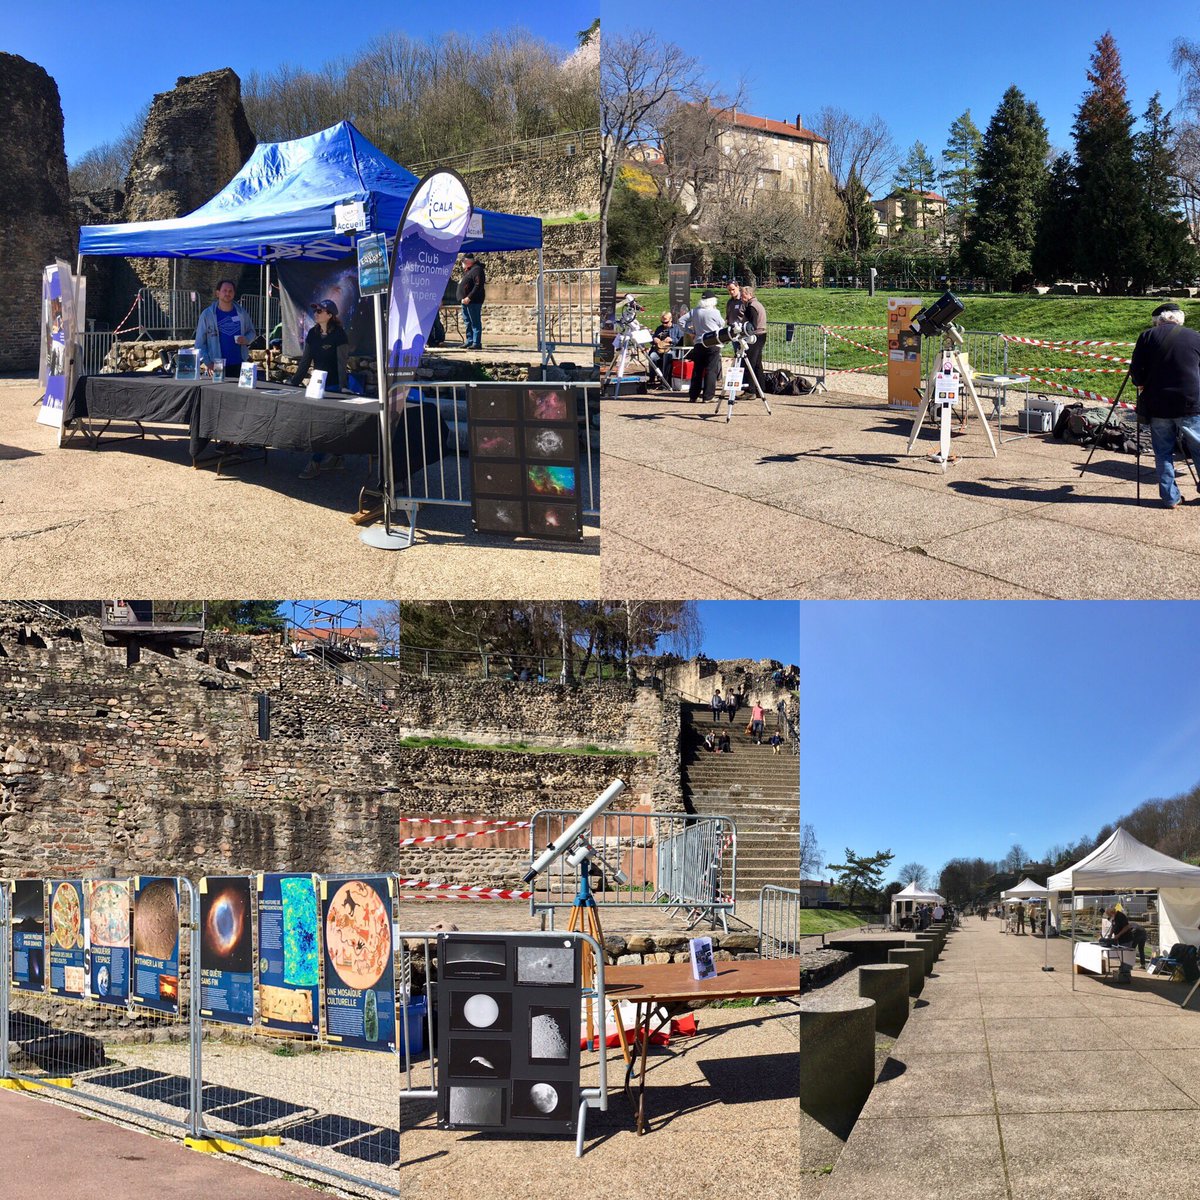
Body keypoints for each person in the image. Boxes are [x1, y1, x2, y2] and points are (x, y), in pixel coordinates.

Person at [1129, 302, 1200, 509]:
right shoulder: (1195, 336)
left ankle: (1170, 498)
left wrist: (1141, 382)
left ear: (1158, 321)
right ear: (1179, 319)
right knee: (1198, 448)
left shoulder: (1147, 336)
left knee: (1162, 452)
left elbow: (1136, 372)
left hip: (1158, 404)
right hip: (1190, 402)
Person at [291, 300, 351, 479]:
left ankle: (316, 462)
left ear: (330, 315)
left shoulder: (339, 335)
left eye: (320, 311)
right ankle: (337, 457)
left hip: (333, 387)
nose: (316, 313)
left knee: (326, 425)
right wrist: (293, 383)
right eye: (315, 310)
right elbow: (305, 362)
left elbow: (342, 364)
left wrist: (343, 387)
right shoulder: (312, 333)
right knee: (321, 425)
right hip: (316, 386)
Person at [194, 279, 256, 376]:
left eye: (230, 291)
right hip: (216, 365)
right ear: (217, 293)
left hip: (239, 363)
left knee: (239, 387)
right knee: (219, 386)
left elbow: (252, 332)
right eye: (224, 290)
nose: (227, 293)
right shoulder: (207, 315)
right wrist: (208, 363)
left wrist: (247, 339)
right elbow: (200, 343)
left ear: (234, 294)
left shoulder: (242, 313)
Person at [685, 291, 726, 406]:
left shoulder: (694, 311)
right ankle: (708, 396)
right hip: (712, 342)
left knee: (697, 370)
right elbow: (722, 324)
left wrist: (690, 331)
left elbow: (681, 321)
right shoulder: (715, 312)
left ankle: (693, 396)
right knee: (710, 370)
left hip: (699, 342)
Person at [739, 284, 768, 391]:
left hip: (755, 336)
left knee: (750, 363)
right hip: (761, 334)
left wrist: (743, 331)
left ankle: (750, 390)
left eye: (743, 296)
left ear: (749, 294)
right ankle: (761, 388)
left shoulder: (751, 307)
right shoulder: (757, 304)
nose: (741, 298)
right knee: (757, 363)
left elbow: (752, 325)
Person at [457, 253, 486, 350]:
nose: (462, 264)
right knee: (467, 322)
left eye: (463, 262)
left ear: (467, 261)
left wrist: (469, 297)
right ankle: (469, 340)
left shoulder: (477, 270)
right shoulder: (469, 270)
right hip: (465, 301)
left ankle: (476, 342)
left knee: (475, 322)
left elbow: (478, 285)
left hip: (473, 301)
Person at [649, 311, 675, 388]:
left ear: (671, 319)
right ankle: (652, 378)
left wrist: (672, 340)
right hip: (658, 350)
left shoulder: (676, 328)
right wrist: (654, 339)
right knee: (652, 357)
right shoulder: (659, 328)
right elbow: (652, 340)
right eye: (662, 322)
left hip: (671, 349)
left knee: (667, 356)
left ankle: (665, 380)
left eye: (666, 322)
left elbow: (681, 341)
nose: (664, 324)